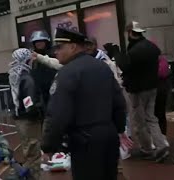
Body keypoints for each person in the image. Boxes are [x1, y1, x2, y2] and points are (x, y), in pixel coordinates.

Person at [41, 28, 132, 180]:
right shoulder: (102, 66)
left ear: (73, 47)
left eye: (59, 47)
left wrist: (48, 146)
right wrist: (119, 128)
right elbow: (119, 102)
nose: (56, 52)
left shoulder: (67, 73)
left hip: (85, 142)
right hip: (108, 136)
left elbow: (58, 114)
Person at [115, 21, 169, 162]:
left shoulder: (134, 51)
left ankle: (147, 149)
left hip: (138, 91)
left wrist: (116, 53)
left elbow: (126, 67)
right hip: (153, 88)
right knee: (151, 117)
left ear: (131, 33)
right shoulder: (152, 47)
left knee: (139, 120)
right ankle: (161, 144)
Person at [8, 48, 44, 180]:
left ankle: (27, 175)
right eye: (30, 59)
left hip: (19, 118)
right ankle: (33, 176)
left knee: (27, 149)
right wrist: (36, 113)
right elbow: (30, 101)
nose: (32, 62)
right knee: (33, 153)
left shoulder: (14, 76)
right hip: (29, 120)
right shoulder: (27, 78)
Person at [30, 30, 57, 107]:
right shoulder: (33, 58)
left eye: (41, 42)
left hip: (52, 89)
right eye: (36, 42)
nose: (39, 44)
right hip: (39, 91)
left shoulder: (53, 54)